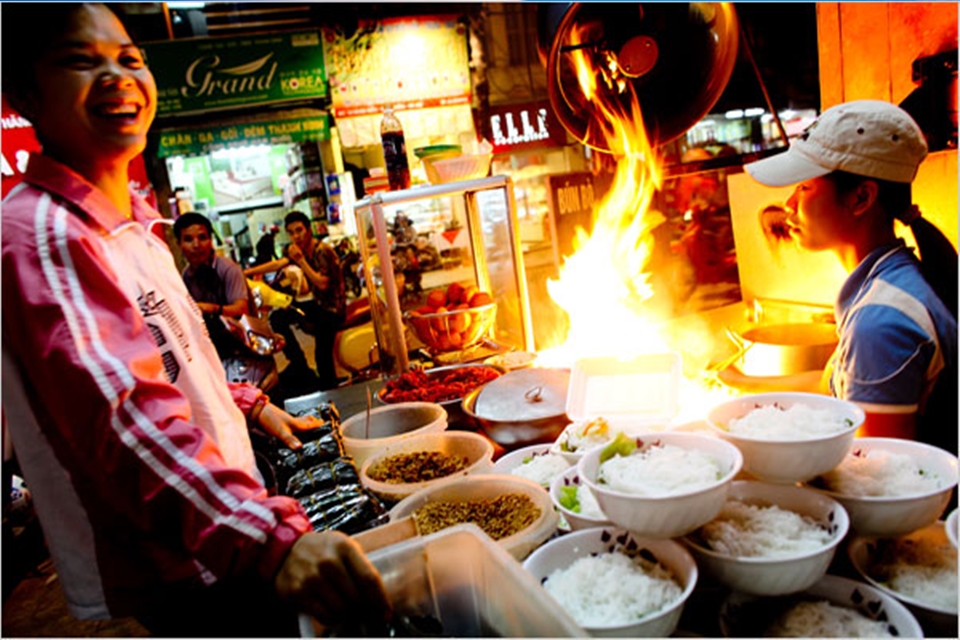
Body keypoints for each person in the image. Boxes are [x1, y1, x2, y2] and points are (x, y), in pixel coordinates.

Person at [0, 4, 389, 636]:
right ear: (23, 91)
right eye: (79, 61)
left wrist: (245, 405)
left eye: (128, 58)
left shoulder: (134, 228)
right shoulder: (45, 234)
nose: (115, 77)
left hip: (217, 523)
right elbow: (123, 421)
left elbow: (173, 364)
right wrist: (270, 542)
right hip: (189, 553)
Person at [745, 100, 958, 454]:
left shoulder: (878, 322)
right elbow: (833, 384)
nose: (789, 204)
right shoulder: (890, 279)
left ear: (861, 197)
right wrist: (740, 383)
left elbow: (881, 469)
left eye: (804, 187)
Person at [247, 212, 347, 391]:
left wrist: (301, 261)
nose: (296, 236)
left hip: (332, 308)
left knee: (322, 353)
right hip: (315, 305)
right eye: (291, 232)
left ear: (308, 230)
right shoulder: (295, 249)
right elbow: (278, 264)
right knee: (277, 316)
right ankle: (299, 363)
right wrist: (246, 273)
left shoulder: (323, 250)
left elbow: (322, 284)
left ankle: (330, 389)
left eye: (299, 230)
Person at [174, 212, 251, 359]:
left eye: (202, 237)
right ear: (179, 244)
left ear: (210, 240)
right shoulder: (186, 276)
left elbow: (241, 309)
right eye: (188, 239)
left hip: (241, 349)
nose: (196, 245)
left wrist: (210, 308)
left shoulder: (228, 269)